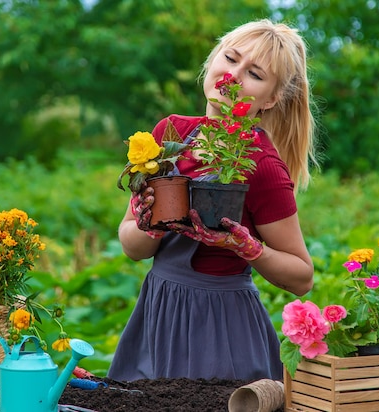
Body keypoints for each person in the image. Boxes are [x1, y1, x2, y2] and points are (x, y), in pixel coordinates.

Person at [108, 19, 318, 382]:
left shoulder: (261, 166)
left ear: (270, 99)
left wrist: (248, 248)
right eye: (230, 58)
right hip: (157, 318)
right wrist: (150, 225)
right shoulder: (170, 134)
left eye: (254, 73)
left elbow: (302, 277)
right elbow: (131, 244)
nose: (233, 75)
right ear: (212, 60)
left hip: (221, 329)